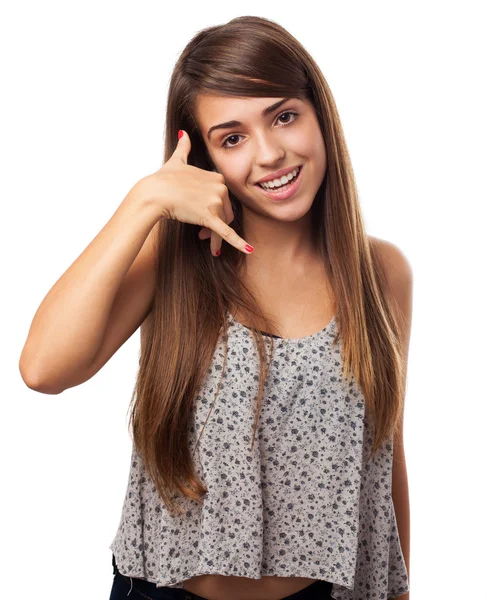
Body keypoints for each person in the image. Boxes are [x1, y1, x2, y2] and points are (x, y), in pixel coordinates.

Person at [19, 15, 412, 600]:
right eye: (232, 138)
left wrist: (401, 591)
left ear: (318, 114)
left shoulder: (380, 272)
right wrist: (144, 201)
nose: (270, 154)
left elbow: (384, 449)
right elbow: (44, 369)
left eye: (283, 116)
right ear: (203, 157)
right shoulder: (173, 260)